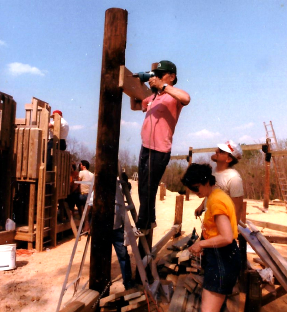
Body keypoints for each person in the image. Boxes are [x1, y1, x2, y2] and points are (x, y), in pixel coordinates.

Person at [181, 163, 241, 312]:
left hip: (222, 259)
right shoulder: (214, 195)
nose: (196, 192)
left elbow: (226, 236)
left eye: (196, 187)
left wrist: (201, 244)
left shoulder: (215, 200)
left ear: (207, 181)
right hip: (221, 258)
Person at [135, 60, 190, 235]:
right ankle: (149, 221)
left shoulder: (173, 96)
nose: (157, 77)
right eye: (156, 75)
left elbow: (186, 98)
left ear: (172, 76)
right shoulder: (154, 97)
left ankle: (142, 225)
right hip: (146, 147)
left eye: (161, 74)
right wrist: (134, 88)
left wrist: (163, 85)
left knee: (149, 187)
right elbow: (136, 106)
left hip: (160, 149)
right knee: (143, 186)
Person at [87, 177, 134, 290]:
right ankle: (100, 285)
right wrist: (88, 225)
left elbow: (127, 196)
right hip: (102, 231)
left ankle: (128, 283)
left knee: (123, 256)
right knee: (100, 257)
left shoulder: (119, 188)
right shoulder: (99, 190)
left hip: (117, 229)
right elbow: (90, 207)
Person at [194, 140, 244, 223]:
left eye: (221, 151)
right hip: (209, 223)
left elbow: (237, 209)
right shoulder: (214, 171)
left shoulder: (234, 179)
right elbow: (211, 192)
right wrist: (201, 206)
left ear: (229, 159)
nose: (216, 151)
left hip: (221, 228)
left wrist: (230, 233)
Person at [78, 160, 94, 233]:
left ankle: (83, 226)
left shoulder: (81, 173)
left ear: (83, 166)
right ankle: (88, 227)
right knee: (88, 212)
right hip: (89, 195)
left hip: (82, 194)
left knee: (80, 209)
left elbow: (78, 183)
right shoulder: (92, 174)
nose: (79, 166)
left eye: (80, 165)